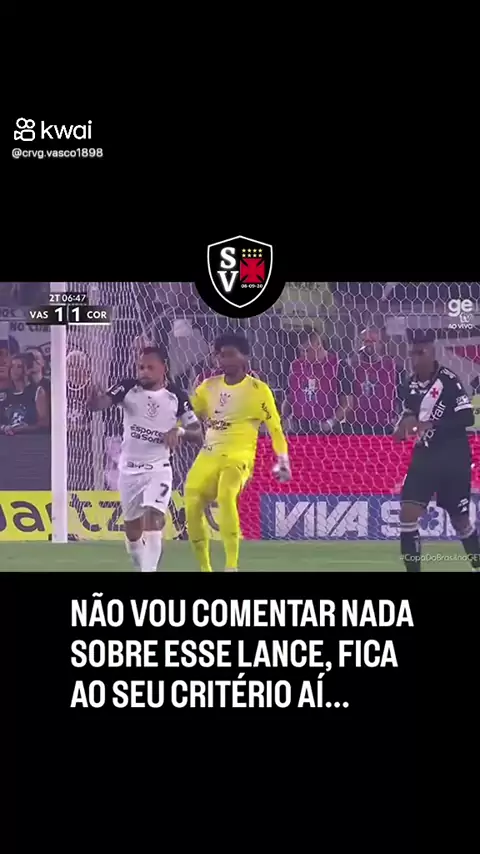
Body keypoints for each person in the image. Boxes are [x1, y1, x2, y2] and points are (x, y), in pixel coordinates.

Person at [87, 347, 202, 572]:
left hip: (159, 468)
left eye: (150, 367)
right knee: (132, 530)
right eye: (141, 367)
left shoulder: (176, 396)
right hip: (129, 470)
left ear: (163, 368)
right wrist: (94, 397)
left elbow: (197, 433)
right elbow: (100, 404)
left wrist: (178, 431)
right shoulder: (127, 387)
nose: (144, 372)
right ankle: (142, 564)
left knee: (154, 517)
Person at [185, 333, 291, 572]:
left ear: (245, 357)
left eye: (231, 355)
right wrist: (175, 429)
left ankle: (231, 566)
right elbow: (189, 417)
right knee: (191, 498)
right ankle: (205, 568)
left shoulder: (258, 390)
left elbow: (275, 428)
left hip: (238, 457)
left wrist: (283, 460)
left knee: (226, 495)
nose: (225, 360)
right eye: (221, 355)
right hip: (209, 454)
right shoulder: (208, 387)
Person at [393, 329, 479, 572]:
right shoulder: (409, 384)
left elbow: (467, 418)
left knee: (460, 521)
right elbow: (410, 414)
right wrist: (402, 428)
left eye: (420, 353)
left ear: (432, 353)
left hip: (453, 458)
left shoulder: (449, 381)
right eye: (412, 353)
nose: (415, 358)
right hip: (425, 457)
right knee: (407, 514)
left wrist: (433, 424)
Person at [282, 330, 348, 433]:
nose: (304, 354)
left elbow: (347, 403)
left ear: (318, 344)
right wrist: (284, 419)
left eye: (307, 350)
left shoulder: (338, 366)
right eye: (301, 350)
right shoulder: (295, 366)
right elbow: (289, 397)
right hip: (299, 429)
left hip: (328, 430)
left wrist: (330, 423)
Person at [343, 328, 404, 434]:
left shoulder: (392, 368)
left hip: (384, 426)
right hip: (356, 427)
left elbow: (401, 398)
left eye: (373, 341)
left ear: (380, 344)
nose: (368, 345)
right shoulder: (350, 368)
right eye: (365, 341)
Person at [0, 355, 50, 434]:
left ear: (27, 370)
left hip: (29, 439)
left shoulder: (37, 391)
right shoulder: (3, 394)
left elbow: (44, 423)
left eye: (19, 366)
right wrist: (4, 428)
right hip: (6, 439)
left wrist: (23, 429)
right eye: (12, 366)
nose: (14, 370)